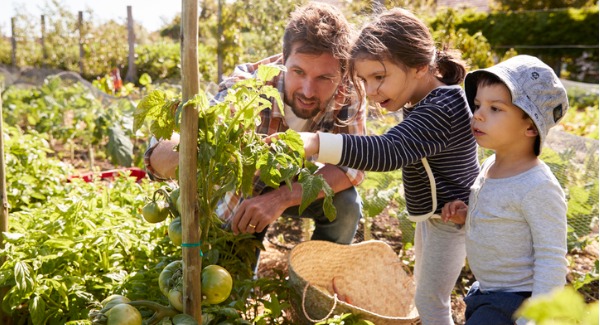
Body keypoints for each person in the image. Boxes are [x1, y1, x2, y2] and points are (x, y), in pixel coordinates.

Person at [295, 8, 480, 324]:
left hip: (451, 220)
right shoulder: (429, 102)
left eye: (379, 77)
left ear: (420, 67)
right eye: (364, 80)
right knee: (426, 294)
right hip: (438, 217)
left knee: (430, 301)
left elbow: (389, 150)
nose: (370, 90)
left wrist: (315, 143)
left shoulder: (442, 108)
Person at [144, 2, 366, 248]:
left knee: (346, 205)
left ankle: (317, 279)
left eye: (324, 77)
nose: (308, 90)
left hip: (298, 184)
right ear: (283, 59)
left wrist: (280, 198)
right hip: (247, 191)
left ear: (342, 71)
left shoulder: (349, 91)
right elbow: (191, 140)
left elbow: (352, 166)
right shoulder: (249, 86)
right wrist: (175, 153)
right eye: (298, 72)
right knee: (234, 273)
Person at [441, 55, 569, 325]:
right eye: (477, 105)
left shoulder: (538, 187)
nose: (478, 114)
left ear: (530, 126)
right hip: (486, 292)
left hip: (516, 301)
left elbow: (551, 258)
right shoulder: (490, 164)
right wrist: (469, 215)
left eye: (495, 108)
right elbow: (502, 218)